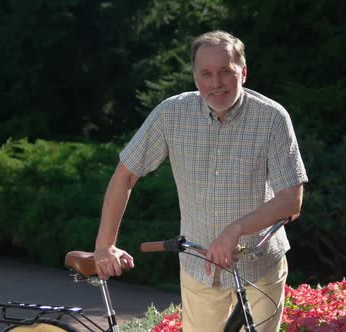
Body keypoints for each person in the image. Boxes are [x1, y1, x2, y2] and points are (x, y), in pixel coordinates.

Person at [93, 30, 308, 331]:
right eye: (206, 74)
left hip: (260, 266)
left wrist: (235, 229)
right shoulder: (171, 114)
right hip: (200, 268)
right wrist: (105, 245)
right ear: (195, 78)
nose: (216, 83)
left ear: (243, 72)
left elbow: (291, 199)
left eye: (225, 72)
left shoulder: (272, 118)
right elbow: (125, 173)